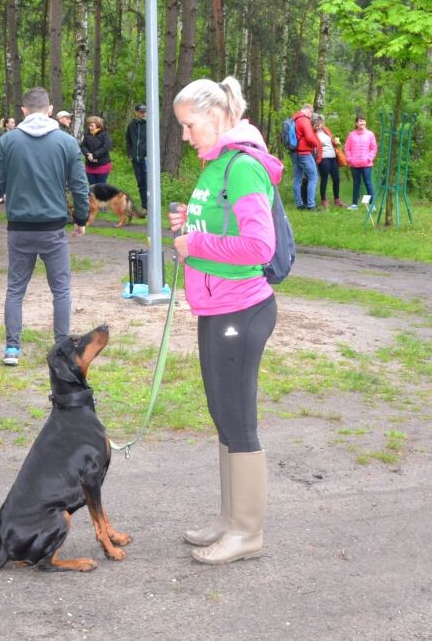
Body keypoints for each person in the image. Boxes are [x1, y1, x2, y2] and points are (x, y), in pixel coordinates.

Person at [167, 76, 280, 565]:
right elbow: (222, 225)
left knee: (238, 418)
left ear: (214, 117)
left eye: (189, 126)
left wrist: (196, 244)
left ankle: (247, 533)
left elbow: (260, 247)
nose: (186, 136)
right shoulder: (214, 166)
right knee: (222, 415)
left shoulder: (243, 168)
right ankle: (229, 519)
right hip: (215, 305)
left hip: (242, 308)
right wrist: (189, 226)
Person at [0, 87, 89, 367]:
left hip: (19, 227)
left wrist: (2, 191)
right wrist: (80, 219)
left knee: (15, 289)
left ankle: (12, 349)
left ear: (23, 110)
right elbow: (80, 186)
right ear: (51, 109)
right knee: (61, 290)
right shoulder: (66, 143)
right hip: (53, 228)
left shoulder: (8, 141)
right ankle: (62, 349)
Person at [291, 104, 321, 210]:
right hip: (304, 152)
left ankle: (299, 204)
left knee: (297, 178)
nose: (311, 115)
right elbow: (309, 137)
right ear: (308, 111)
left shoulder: (293, 118)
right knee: (313, 177)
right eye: (311, 113)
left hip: (294, 152)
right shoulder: (304, 120)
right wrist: (317, 144)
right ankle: (311, 204)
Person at [345, 116, 378, 210]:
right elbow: (347, 148)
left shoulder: (370, 134)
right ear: (356, 123)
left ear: (365, 122)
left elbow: (374, 148)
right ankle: (354, 204)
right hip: (354, 164)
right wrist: (349, 158)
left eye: (363, 121)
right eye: (360, 121)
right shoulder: (351, 135)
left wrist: (370, 158)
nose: (362, 123)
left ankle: (372, 205)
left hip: (366, 164)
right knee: (356, 183)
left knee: (368, 183)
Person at [313, 114, 342, 208]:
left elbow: (331, 141)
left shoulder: (326, 130)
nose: (319, 125)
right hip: (323, 157)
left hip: (333, 157)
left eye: (320, 123)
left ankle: (337, 199)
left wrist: (335, 142)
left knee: (336, 178)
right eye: (317, 123)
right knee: (324, 178)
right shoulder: (313, 133)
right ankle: (323, 199)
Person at [125, 104, 148, 211]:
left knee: (148, 182)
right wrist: (130, 155)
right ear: (136, 112)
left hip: (146, 159)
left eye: (144, 112)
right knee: (141, 183)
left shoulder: (149, 124)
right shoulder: (131, 125)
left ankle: (150, 206)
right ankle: (145, 207)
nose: (143, 114)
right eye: (141, 112)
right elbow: (128, 141)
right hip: (135, 159)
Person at [82, 116, 113, 185]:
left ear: (98, 125)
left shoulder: (104, 134)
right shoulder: (87, 134)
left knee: (100, 187)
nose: (90, 127)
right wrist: (88, 155)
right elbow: (83, 146)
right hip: (90, 165)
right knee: (92, 186)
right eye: (89, 125)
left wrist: (94, 155)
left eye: (92, 126)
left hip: (102, 165)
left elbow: (106, 147)